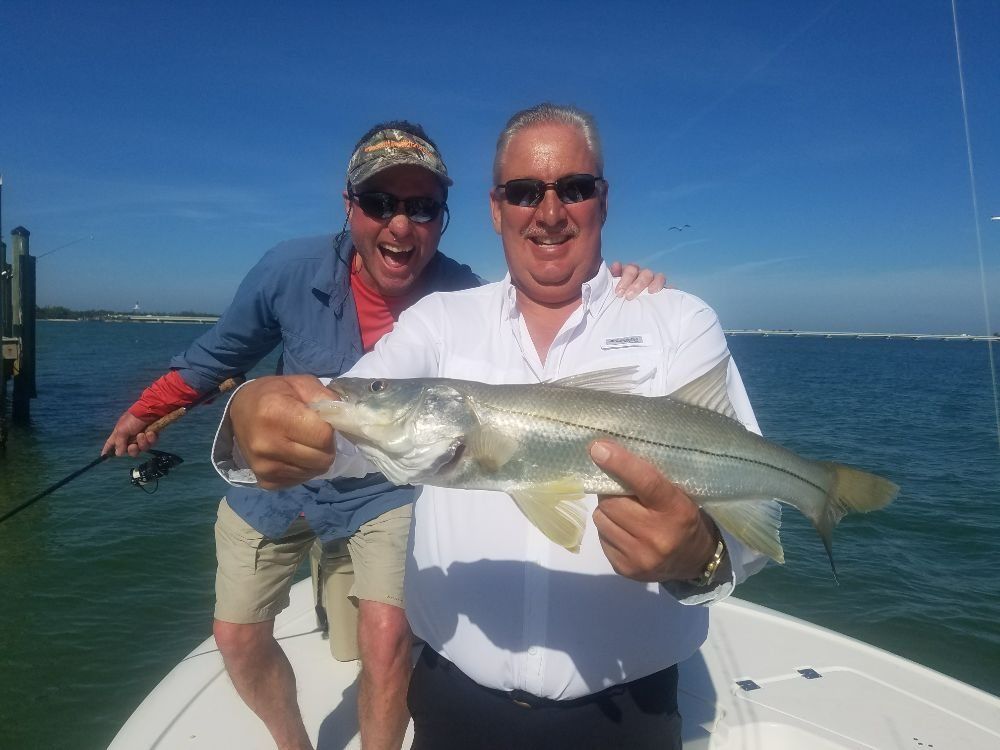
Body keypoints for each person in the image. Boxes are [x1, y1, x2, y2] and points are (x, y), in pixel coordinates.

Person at [217, 103, 768, 749]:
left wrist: (700, 557)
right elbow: (350, 429)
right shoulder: (440, 322)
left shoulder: (677, 321)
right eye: (525, 191)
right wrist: (261, 409)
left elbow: (748, 507)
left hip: (630, 715)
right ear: (496, 209)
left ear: (603, 201)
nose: (550, 210)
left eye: (575, 187)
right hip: (452, 704)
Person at [103, 119, 665, 750]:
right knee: (235, 634)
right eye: (380, 203)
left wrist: (620, 291)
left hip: (386, 484)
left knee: (388, 636)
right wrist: (150, 412)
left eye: (422, 207)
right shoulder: (286, 270)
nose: (401, 226)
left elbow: (533, 326)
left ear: (445, 217)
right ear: (350, 208)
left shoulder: (463, 295)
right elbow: (217, 355)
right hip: (284, 477)